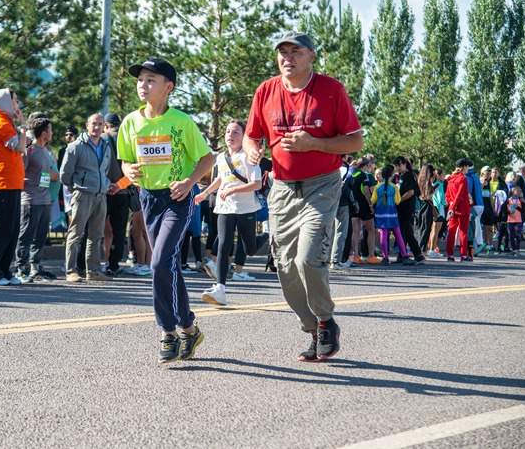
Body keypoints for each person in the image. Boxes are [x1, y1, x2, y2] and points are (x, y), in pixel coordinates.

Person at [244, 32, 363, 362]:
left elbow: (355, 141)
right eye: (282, 52)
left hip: (321, 186)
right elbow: (252, 136)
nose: (287, 58)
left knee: (307, 259)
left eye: (295, 51)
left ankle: (325, 320)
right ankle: (312, 328)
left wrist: (315, 144)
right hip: (282, 189)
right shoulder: (266, 91)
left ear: (311, 56)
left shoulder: (331, 90)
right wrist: (252, 151)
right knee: (285, 267)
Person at [119, 57, 214, 363]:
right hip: (149, 199)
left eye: (151, 80)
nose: (143, 85)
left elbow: (207, 158)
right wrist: (128, 170)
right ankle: (189, 328)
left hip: (176, 199)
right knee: (167, 266)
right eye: (140, 80)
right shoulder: (130, 122)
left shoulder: (181, 121)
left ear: (168, 87)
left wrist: (189, 182)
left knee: (159, 262)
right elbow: (125, 161)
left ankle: (167, 332)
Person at [194, 120, 265, 306]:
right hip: (225, 207)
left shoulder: (248, 156)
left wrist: (233, 190)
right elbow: (220, 179)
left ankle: (268, 236)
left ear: (243, 137)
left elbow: (257, 184)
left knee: (250, 249)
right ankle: (220, 289)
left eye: (235, 132)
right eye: (227, 132)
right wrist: (204, 193)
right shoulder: (221, 157)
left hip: (245, 208)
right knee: (223, 244)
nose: (230, 136)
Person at [60, 113, 113, 282]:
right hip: (82, 195)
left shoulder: (106, 146)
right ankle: (71, 271)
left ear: (104, 126)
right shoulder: (75, 146)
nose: (97, 127)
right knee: (76, 234)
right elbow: (64, 175)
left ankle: (93, 271)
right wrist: (77, 188)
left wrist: (104, 185)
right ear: (86, 125)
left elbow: (105, 171)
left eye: (100, 124)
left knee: (96, 235)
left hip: (100, 195)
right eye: (94, 123)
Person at [0, 88, 26, 286]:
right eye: (15, 101)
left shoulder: (7, 122)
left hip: (12, 181)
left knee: (12, 229)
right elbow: (20, 147)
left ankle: (4, 271)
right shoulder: (0, 122)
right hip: (4, 182)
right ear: (6, 103)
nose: (17, 105)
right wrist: (24, 126)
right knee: (2, 230)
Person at [14, 114, 59, 282]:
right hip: (31, 200)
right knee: (26, 235)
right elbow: (21, 172)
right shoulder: (29, 151)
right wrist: (48, 175)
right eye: (50, 130)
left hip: (45, 200)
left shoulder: (46, 151)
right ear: (44, 133)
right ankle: (21, 268)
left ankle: (35, 267)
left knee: (40, 237)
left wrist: (52, 176)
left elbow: (45, 174)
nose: (52, 133)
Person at [102, 113, 131, 276]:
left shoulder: (102, 139)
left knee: (96, 228)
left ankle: (91, 263)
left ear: (106, 125)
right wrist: (120, 186)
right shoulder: (128, 139)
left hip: (104, 191)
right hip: (123, 191)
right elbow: (135, 168)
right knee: (119, 231)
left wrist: (109, 185)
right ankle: (114, 264)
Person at [372, 165, 410, 265]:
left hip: (380, 214)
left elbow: (373, 200)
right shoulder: (394, 187)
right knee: (398, 235)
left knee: (383, 235)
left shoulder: (377, 187)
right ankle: (404, 255)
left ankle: (385, 257)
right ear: (391, 175)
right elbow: (398, 201)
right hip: (392, 214)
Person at [392, 156, 424, 264]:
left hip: (407, 208)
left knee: (405, 231)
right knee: (406, 232)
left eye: (398, 165)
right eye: (396, 166)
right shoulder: (399, 176)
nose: (397, 168)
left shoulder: (409, 175)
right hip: (400, 208)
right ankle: (413, 255)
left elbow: (411, 192)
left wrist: (399, 200)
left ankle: (408, 255)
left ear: (404, 164)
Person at [349, 156, 380, 265]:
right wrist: (370, 205)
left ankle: (355, 256)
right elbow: (367, 191)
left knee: (355, 231)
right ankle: (371, 256)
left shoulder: (351, 174)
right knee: (371, 229)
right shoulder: (364, 175)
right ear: (366, 165)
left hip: (353, 205)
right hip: (364, 205)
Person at [445, 159, 472, 262]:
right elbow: (459, 195)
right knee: (463, 232)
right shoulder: (463, 178)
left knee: (451, 231)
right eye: (467, 166)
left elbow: (447, 195)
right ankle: (463, 255)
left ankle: (450, 254)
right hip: (463, 208)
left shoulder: (450, 178)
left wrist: (451, 206)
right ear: (463, 167)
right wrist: (453, 206)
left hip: (453, 208)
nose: (468, 168)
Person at [427, 168, 446, 257]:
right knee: (436, 230)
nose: (444, 176)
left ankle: (432, 249)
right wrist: (444, 203)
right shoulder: (438, 184)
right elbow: (438, 197)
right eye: (443, 175)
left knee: (434, 230)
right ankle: (432, 250)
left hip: (436, 207)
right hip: (438, 208)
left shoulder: (436, 184)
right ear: (438, 175)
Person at [505, 187, 525, 256]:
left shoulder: (520, 200)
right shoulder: (508, 200)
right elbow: (504, 209)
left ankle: (517, 249)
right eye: (517, 191)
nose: (519, 192)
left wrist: (517, 207)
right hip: (510, 220)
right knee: (511, 236)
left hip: (518, 220)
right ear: (513, 192)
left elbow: (524, 210)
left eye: (520, 191)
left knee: (518, 235)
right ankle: (513, 249)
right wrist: (509, 211)